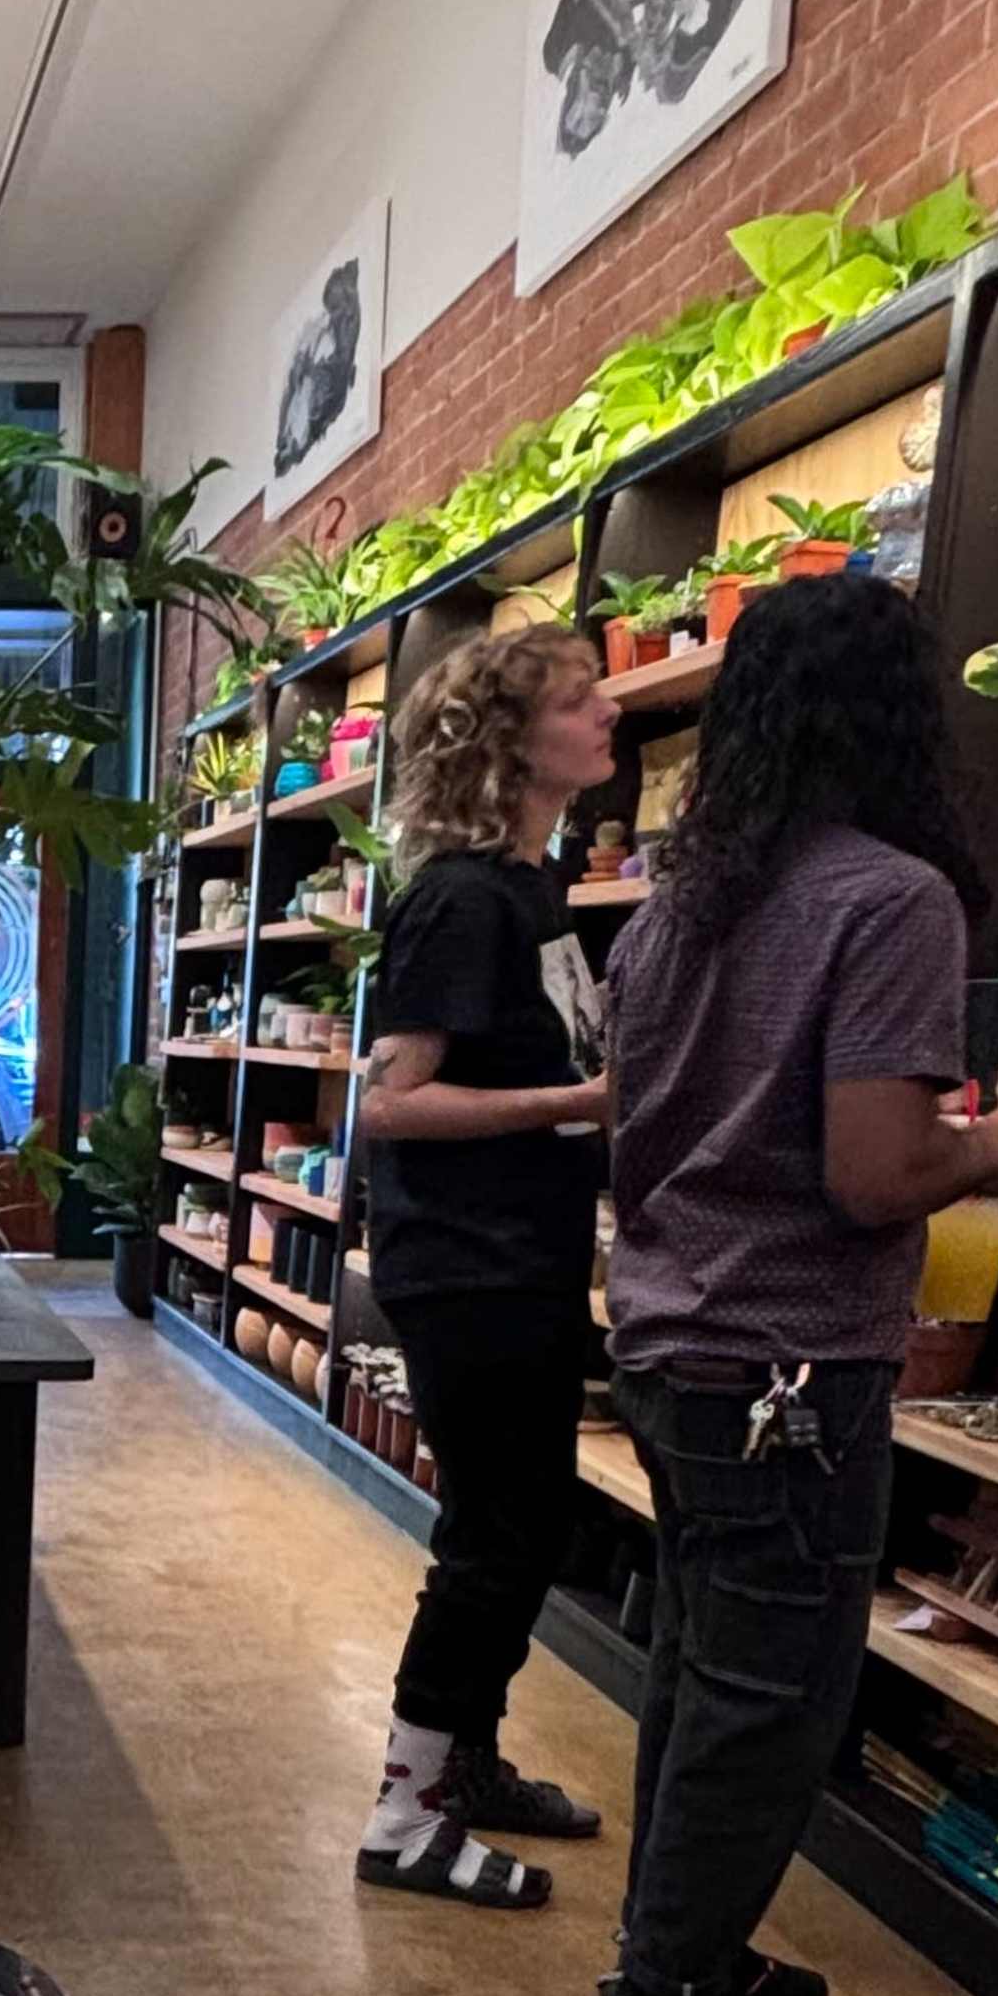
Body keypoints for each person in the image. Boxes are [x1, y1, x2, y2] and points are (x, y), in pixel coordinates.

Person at [591, 568, 998, 1996]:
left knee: (703, 1669)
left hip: (672, 1339)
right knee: (771, 1692)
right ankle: (666, 1993)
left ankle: (680, 1941)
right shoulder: (891, 900)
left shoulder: (676, 913)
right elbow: (873, 1173)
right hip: (793, 1357)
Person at [350, 617, 624, 1907]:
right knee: (499, 1536)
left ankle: (469, 1765)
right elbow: (391, 1105)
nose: (609, 713)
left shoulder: (533, 887)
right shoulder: (462, 898)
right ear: (514, 742)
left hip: (518, 1254)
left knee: (517, 1524)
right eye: (582, 700)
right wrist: (579, 1105)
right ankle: (405, 1816)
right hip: (465, 1261)